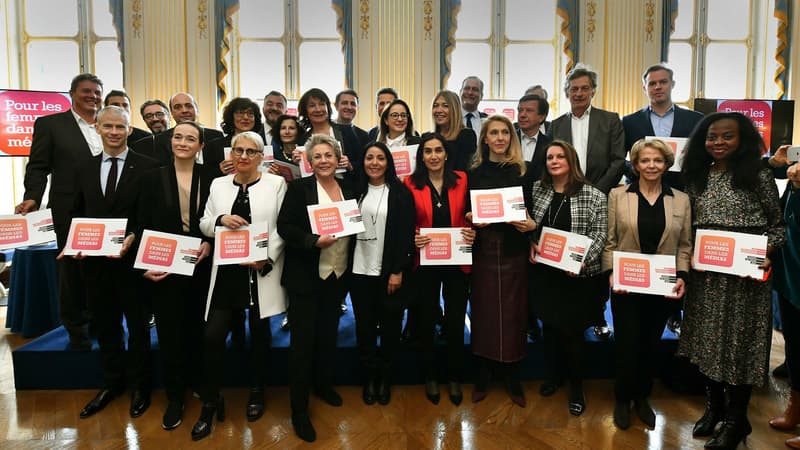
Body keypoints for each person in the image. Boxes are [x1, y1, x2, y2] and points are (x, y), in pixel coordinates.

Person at [678, 112, 785, 449]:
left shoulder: (759, 175)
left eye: (727, 136)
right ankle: (715, 409)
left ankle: (737, 421)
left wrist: (765, 251)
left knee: (739, 348)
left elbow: (778, 227)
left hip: (745, 280)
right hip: (707, 277)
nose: (719, 143)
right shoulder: (697, 177)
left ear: (742, 140)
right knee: (708, 344)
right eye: (712, 137)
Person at [63, 106, 159, 419]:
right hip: (94, 265)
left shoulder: (149, 167)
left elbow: (152, 217)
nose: (115, 132)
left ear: (130, 130)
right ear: (98, 128)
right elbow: (75, 212)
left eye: (121, 127)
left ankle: (141, 387)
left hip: (132, 263)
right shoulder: (82, 168)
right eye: (109, 127)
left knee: (138, 328)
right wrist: (74, 243)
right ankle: (113, 383)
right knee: (105, 327)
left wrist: (134, 236)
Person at [193, 131, 287, 440]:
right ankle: (210, 400)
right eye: (238, 150)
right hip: (227, 271)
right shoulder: (218, 184)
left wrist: (265, 258)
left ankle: (257, 390)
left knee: (260, 335)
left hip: (260, 270)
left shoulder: (276, 184)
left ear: (261, 156)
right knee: (212, 335)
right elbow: (204, 222)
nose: (243, 156)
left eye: (251, 151)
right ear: (230, 154)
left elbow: (280, 228)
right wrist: (221, 218)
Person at [602, 139, 692, 430]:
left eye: (657, 161)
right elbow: (610, 241)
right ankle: (622, 398)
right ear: (635, 164)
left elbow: (685, 245)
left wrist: (682, 276)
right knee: (627, 343)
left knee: (650, 343)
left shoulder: (681, 199)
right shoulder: (617, 196)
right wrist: (612, 273)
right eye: (644, 160)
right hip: (627, 285)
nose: (651, 166)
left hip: (662, 286)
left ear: (666, 164)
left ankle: (642, 397)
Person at [15, 73, 105, 350]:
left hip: (107, 210)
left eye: (96, 92)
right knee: (72, 272)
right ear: (72, 94)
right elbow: (38, 165)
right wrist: (32, 197)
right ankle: (77, 331)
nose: (92, 96)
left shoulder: (111, 125)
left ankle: (102, 324)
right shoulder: (51, 125)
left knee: (104, 270)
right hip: (68, 210)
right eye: (86, 91)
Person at [277, 134, 354, 443]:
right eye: (317, 156)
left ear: (338, 159)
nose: (323, 160)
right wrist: (313, 242)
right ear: (309, 161)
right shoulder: (298, 189)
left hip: (338, 275)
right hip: (306, 278)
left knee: (327, 335)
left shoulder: (350, 189)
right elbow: (286, 227)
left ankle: (322, 384)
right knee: (302, 343)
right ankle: (299, 409)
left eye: (329, 155)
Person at [137, 121, 213, 430]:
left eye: (190, 138)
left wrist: (209, 243)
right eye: (178, 136)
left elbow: (215, 220)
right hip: (165, 266)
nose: (183, 142)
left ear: (200, 146)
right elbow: (140, 223)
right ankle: (175, 397)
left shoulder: (213, 178)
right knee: (169, 333)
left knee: (198, 329)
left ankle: (198, 383)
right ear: (170, 142)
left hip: (202, 264)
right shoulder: (151, 178)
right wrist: (144, 265)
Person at [530, 140, 607, 417]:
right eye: (549, 157)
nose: (554, 161)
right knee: (549, 329)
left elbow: (600, 235)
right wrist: (531, 242)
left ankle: (576, 387)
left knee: (572, 333)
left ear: (571, 160)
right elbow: (530, 226)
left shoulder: (593, 195)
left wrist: (580, 261)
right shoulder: (538, 190)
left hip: (576, 276)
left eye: (560, 156)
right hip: (545, 275)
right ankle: (554, 377)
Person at [549, 63, 624, 340]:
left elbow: (618, 160)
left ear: (593, 91)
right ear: (567, 92)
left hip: (600, 195)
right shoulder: (556, 125)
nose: (579, 93)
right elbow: (554, 161)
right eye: (574, 89)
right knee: (569, 257)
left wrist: (595, 190)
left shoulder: (610, 120)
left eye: (584, 88)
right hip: (566, 197)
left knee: (595, 256)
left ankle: (597, 315)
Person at [466, 115, 537, 407]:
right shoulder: (473, 172)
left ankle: (512, 374)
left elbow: (533, 209)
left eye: (504, 133)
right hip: (483, 248)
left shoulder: (525, 171)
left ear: (511, 137)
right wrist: (471, 218)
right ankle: (483, 374)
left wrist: (530, 225)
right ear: (484, 138)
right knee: (483, 310)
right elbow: (467, 210)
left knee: (514, 313)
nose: (499, 137)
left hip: (513, 248)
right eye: (493, 133)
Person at [404, 132, 475, 405]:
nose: (433, 156)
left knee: (456, 320)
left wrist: (472, 231)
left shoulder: (462, 179)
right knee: (425, 320)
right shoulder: (409, 183)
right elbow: (404, 218)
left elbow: (470, 214)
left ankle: (455, 376)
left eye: (438, 150)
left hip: (456, 259)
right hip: (425, 261)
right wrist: (412, 234)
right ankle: (431, 375)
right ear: (421, 156)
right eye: (428, 151)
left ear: (446, 154)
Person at [349, 142, 415, 405]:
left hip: (389, 273)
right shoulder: (353, 191)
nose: (374, 163)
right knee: (364, 329)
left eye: (380, 158)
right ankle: (369, 379)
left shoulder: (400, 193)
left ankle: (385, 378)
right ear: (362, 162)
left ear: (389, 162)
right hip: (358, 271)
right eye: (369, 158)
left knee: (390, 328)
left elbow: (405, 236)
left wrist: (398, 270)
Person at [622, 63, 704, 189]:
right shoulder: (629, 121)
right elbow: (618, 159)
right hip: (640, 190)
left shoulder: (696, 119)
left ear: (672, 84)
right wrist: (634, 169)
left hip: (683, 190)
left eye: (663, 82)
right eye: (652, 83)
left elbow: (703, 155)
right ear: (645, 88)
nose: (658, 87)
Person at [769, 148, 800, 449]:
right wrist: (776, 165)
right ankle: (795, 407)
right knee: (794, 342)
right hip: (792, 275)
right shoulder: (793, 176)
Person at [131, 92, 223, 166]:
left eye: (188, 106)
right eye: (177, 107)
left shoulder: (216, 136)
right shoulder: (160, 140)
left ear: (196, 110)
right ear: (171, 113)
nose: (184, 110)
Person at [297, 88, 363, 185]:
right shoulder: (302, 140)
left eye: (322, 104)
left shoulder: (346, 131)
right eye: (312, 105)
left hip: (346, 189)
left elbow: (362, 164)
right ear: (305, 111)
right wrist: (297, 161)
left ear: (328, 107)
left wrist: (350, 165)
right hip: (316, 190)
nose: (318, 109)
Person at [206, 97, 266, 178]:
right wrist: (219, 171)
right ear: (231, 117)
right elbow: (205, 176)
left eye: (250, 113)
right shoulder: (215, 146)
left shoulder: (263, 145)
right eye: (240, 113)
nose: (245, 117)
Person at [432, 90, 477, 172]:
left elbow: (464, 170)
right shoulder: (431, 137)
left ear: (454, 109)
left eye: (445, 106)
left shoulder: (466, 135)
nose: (439, 110)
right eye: (435, 106)